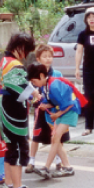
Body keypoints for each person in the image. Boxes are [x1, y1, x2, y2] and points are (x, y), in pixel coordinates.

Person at [0, 33, 38, 188]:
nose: (25, 54)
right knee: (19, 147)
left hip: (4, 104)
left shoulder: (3, 61)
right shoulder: (15, 65)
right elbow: (20, 88)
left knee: (9, 145)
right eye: (26, 50)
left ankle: (8, 184)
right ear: (19, 47)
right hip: (13, 108)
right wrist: (34, 93)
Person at [27, 62, 86, 179]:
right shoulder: (46, 85)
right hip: (63, 112)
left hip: (70, 112)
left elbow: (69, 104)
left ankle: (46, 167)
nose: (34, 84)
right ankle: (68, 167)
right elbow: (52, 102)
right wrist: (45, 105)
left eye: (34, 81)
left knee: (55, 139)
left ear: (42, 76)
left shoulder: (53, 86)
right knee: (55, 140)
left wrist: (57, 114)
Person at [26, 44, 69, 174]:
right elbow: (29, 92)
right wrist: (33, 100)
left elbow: (62, 92)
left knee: (56, 136)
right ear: (38, 59)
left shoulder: (57, 74)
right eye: (45, 56)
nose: (48, 59)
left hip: (54, 111)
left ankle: (58, 161)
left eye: (50, 56)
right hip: (40, 110)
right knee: (36, 136)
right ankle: (31, 161)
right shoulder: (34, 72)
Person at [76, 7, 94, 136]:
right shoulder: (83, 34)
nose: (91, 19)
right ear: (86, 20)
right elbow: (79, 51)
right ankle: (88, 126)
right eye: (88, 17)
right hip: (88, 70)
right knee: (88, 97)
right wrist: (77, 68)